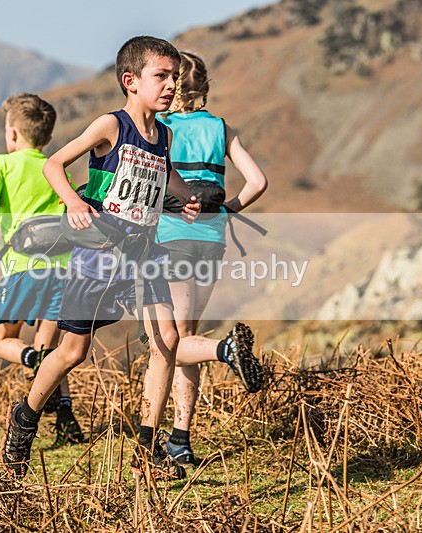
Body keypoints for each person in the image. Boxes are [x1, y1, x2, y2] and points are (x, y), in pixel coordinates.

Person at [0, 35, 203, 481]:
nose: (171, 85)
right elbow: (53, 164)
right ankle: (25, 418)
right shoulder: (111, 126)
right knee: (72, 351)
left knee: (167, 340)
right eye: (161, 76)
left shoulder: (164, 135)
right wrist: (74, 201)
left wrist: (186, 197)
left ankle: (147, 448)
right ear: (131, 81)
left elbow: (166, 174)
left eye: (174, 76)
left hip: (144, 252)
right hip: (98, 254)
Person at [156, 51, 268, 467]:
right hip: (212, 239)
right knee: (186, 337)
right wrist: (228, 210)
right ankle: (180, 440)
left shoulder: (159, 128)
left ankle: (225, 350)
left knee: (171, 341)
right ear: (203, 86)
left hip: (171, 237)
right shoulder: (221, 128)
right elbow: (258, 182)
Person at [0, 93, 84, 448]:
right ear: (48, 137)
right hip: (62, 268)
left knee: (1, 341)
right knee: (53, 350)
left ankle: (30, 358)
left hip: (22, 268)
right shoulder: (55, 167)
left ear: (12, 133)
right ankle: (66, 417)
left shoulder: (1, 164)